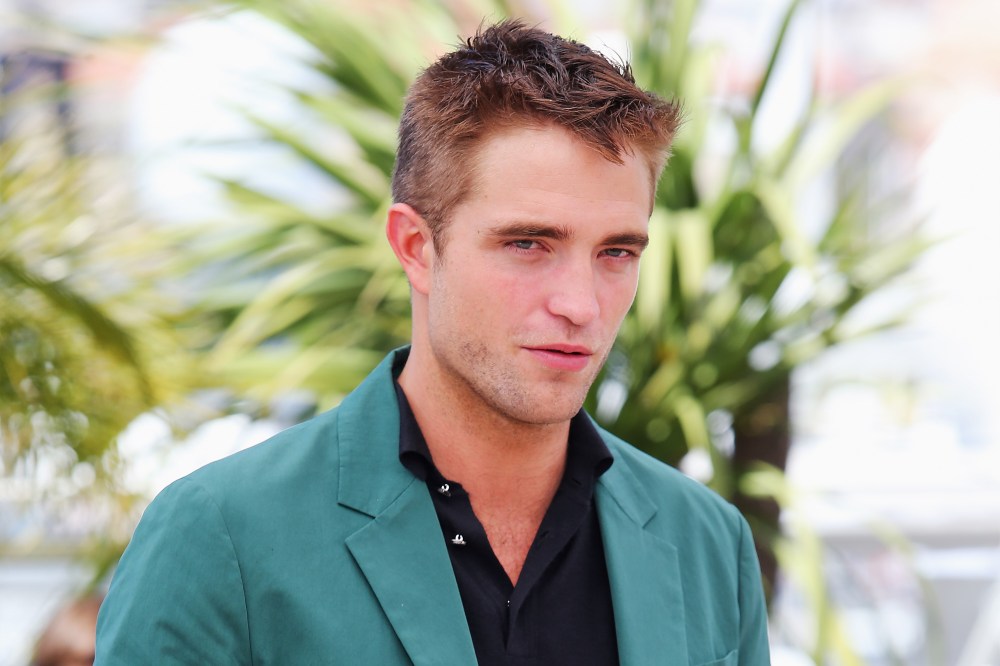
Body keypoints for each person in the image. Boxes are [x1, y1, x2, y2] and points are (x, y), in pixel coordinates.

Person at [95, 19, 770, 665]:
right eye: (528, 243)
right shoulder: (224, 536)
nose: (580, 304)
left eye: (617, 252)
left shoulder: (707, 543)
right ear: (416, 247)